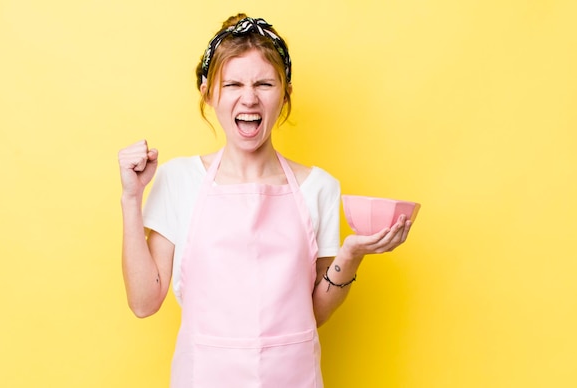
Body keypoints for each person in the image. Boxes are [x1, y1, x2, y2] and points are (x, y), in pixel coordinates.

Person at [118, 13, 412, 388]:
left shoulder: (319, 187)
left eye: (264, 83)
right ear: (209, 92)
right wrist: (131, 198)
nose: (249, 98)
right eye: (234, 84)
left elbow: (313, 313)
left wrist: (350, 256)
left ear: (285, 92)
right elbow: (144, 303)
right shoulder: (178, 180)